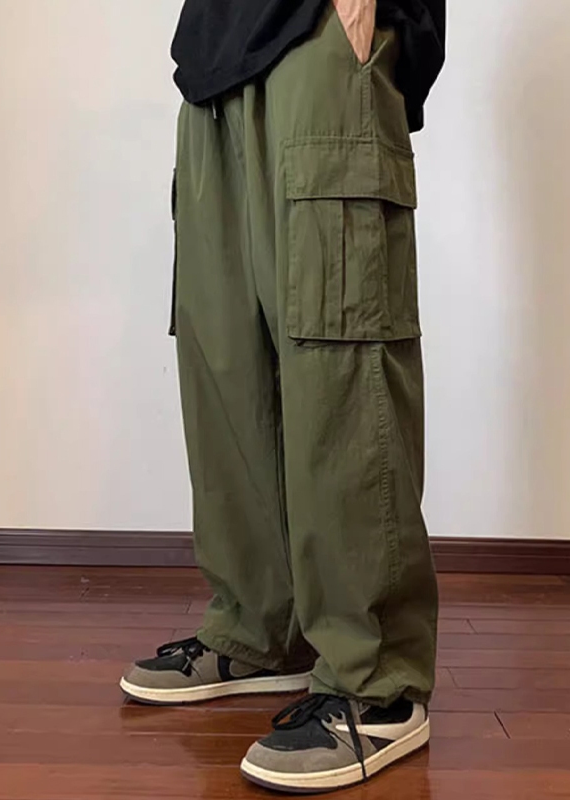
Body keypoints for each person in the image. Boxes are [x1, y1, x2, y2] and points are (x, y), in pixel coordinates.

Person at [121, 0, 446, 792]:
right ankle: (262, 628)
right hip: (215, 61)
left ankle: (376, 684)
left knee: (339, 362)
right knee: (226, 363)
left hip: (318, 37)